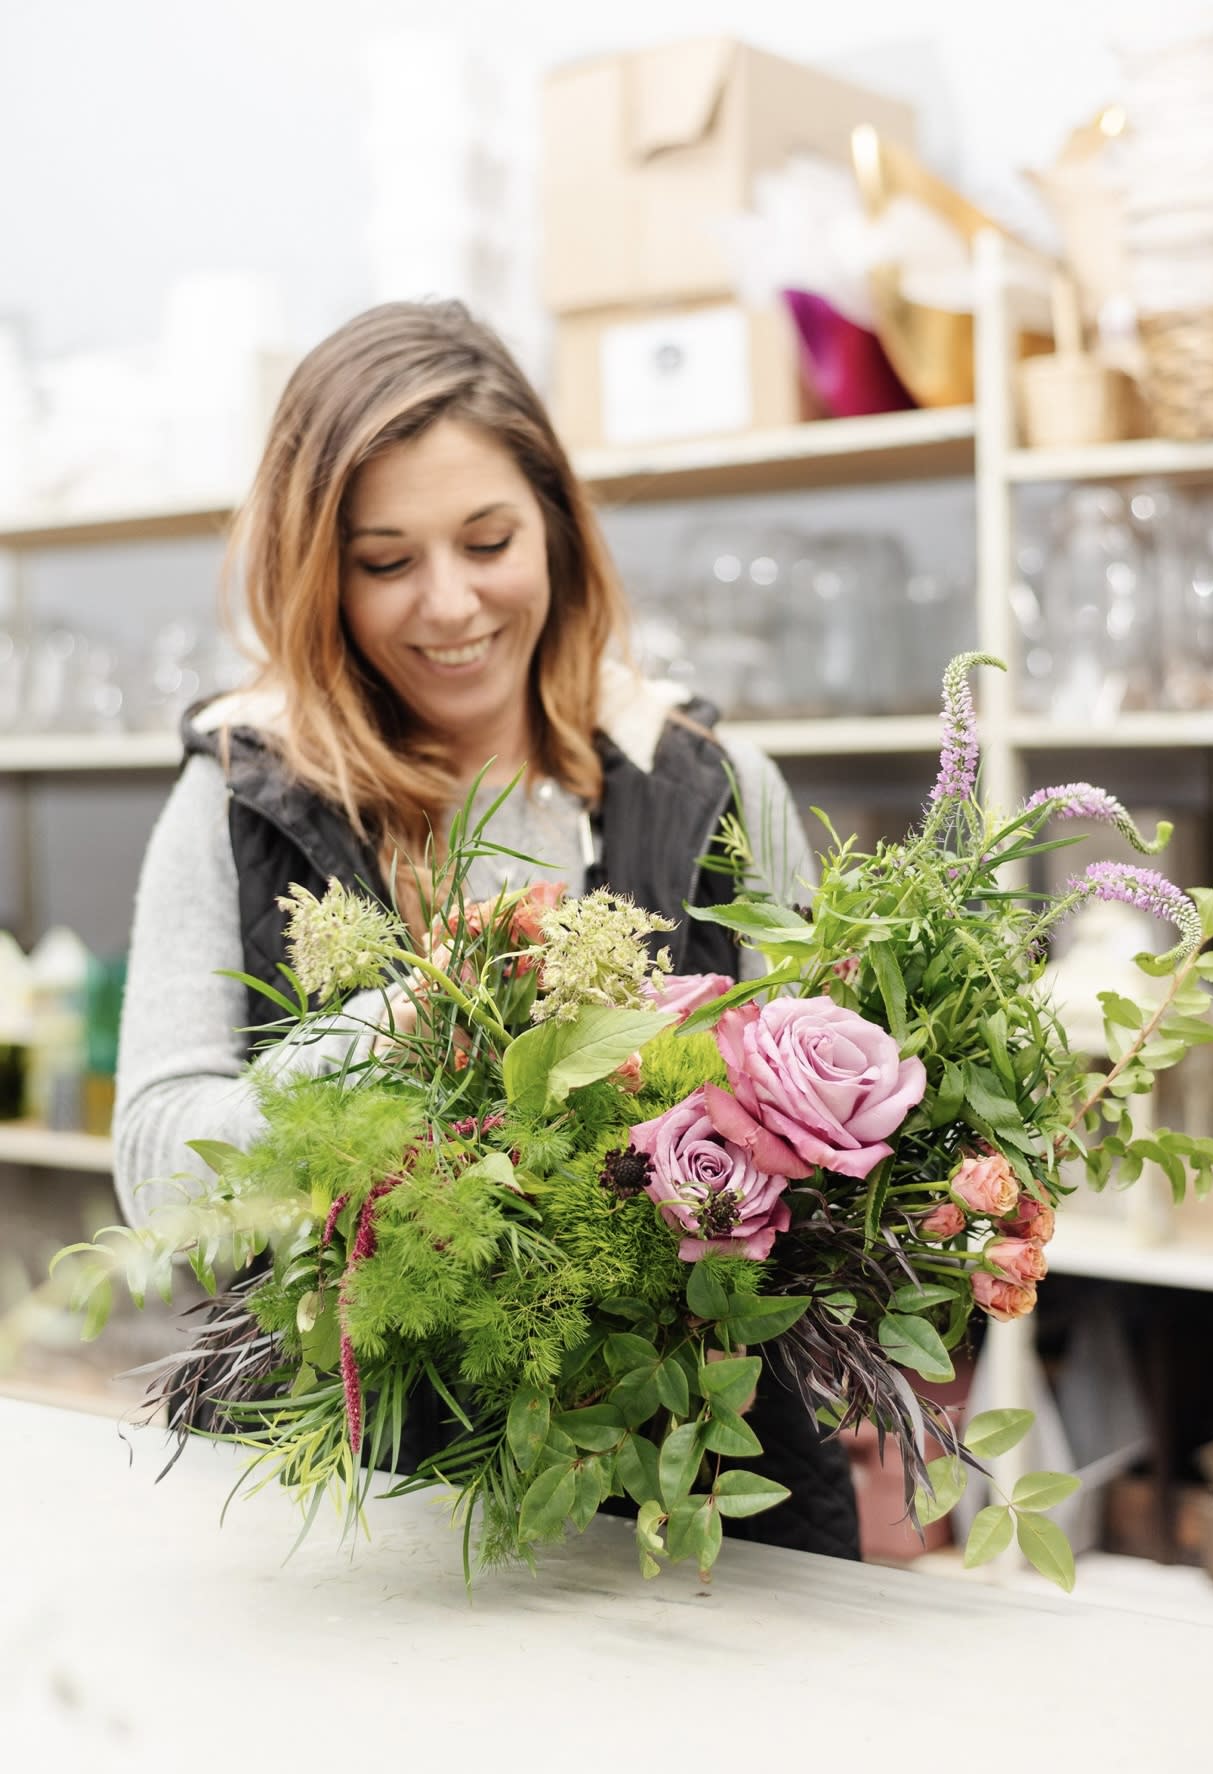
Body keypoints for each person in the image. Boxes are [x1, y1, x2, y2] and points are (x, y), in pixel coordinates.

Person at [112, 298, 859, 1561]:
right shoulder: (243, 795)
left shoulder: (707, 784)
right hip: (360, 1501)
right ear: (317, 574)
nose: (449, 604)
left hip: (703, 1496)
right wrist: (377, 1040)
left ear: (556, 527)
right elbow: (156, 1165)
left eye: (488, 539)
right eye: (386, 560)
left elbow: (831, 1139)